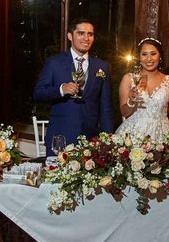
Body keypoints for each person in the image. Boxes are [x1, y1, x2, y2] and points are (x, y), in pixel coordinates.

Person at [33, 19, 114, 154]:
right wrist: (61, 89)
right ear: (70, 36)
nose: (86, 38)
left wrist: (108, 140)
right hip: (60, 139)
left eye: (90, 34)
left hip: (90, 141)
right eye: (81, 33)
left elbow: (106, 107)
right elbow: (39, 93)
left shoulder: (102, 66)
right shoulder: (54, 63)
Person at [115, 37, 169, 141]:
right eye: (144, 54)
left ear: (160, 56)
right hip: (133, 135)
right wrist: (131, 101)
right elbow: (124, 113)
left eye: (153, 54)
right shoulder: (128, 79)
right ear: (139, 57)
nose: (149, 59)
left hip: (162, 134)